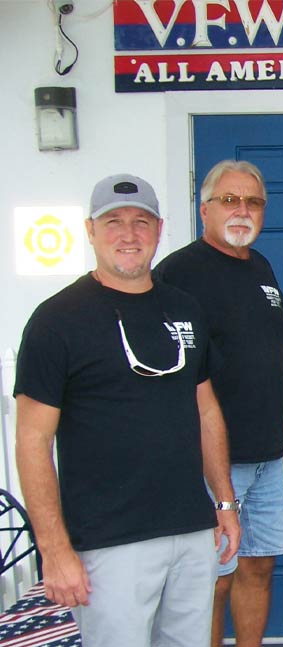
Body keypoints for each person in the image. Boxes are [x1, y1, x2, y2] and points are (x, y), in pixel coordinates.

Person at [14, 174, 240, 647]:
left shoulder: (184, 309)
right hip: (108, 541)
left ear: (159, 230)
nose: (128, 234)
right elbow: (33, 442)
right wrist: (54, 550)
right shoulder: (56, 321)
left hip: (191, 530)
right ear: (90, 231)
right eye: (113, 222)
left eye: (140, 222)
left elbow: (206, 411)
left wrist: (223, 502)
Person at [154, 160, 283, 647]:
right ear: (205, 209)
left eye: (254, 201)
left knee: (259, 567)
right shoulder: (178, 274)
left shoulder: (260, 267)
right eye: (230, 200)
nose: (243, 210)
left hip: (267, 458)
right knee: (213, 577)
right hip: (211, 463)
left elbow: (272, 361)